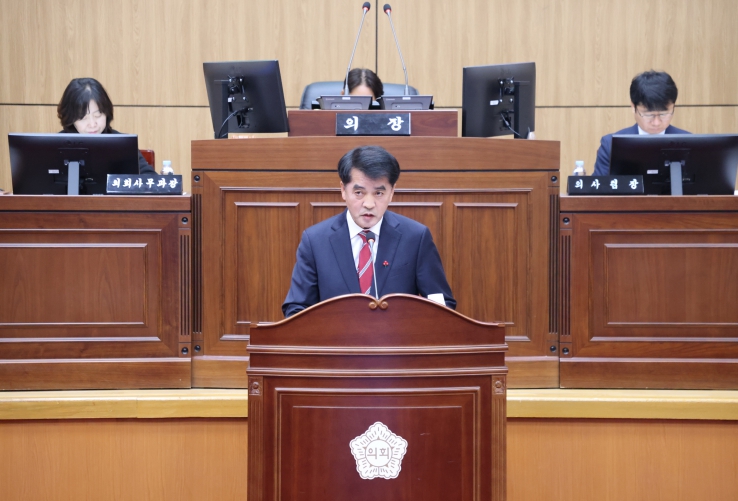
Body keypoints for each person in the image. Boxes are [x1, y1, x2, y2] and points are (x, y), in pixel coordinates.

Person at [282, 145, 455, 317]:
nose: (369, 204)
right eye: (359, 192)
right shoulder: (315, 241)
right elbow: (297, 309)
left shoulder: (416, 238)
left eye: (379, 193)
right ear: (343, 190)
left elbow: (441, 305)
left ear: (392, 192)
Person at [593, 70, 690, 176]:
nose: (656, 122)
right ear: (633, 107)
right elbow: (599, 185)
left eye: (663, 114)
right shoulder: (611, 144)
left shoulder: (690, 143)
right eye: (648, 115)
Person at [57, 78, 156, 173]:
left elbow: (149, 177)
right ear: (71, 118)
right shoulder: (55, 145)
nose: (92, 124)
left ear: (106, 113)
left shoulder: (122, 144)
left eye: (98, 115)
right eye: (83, 118)